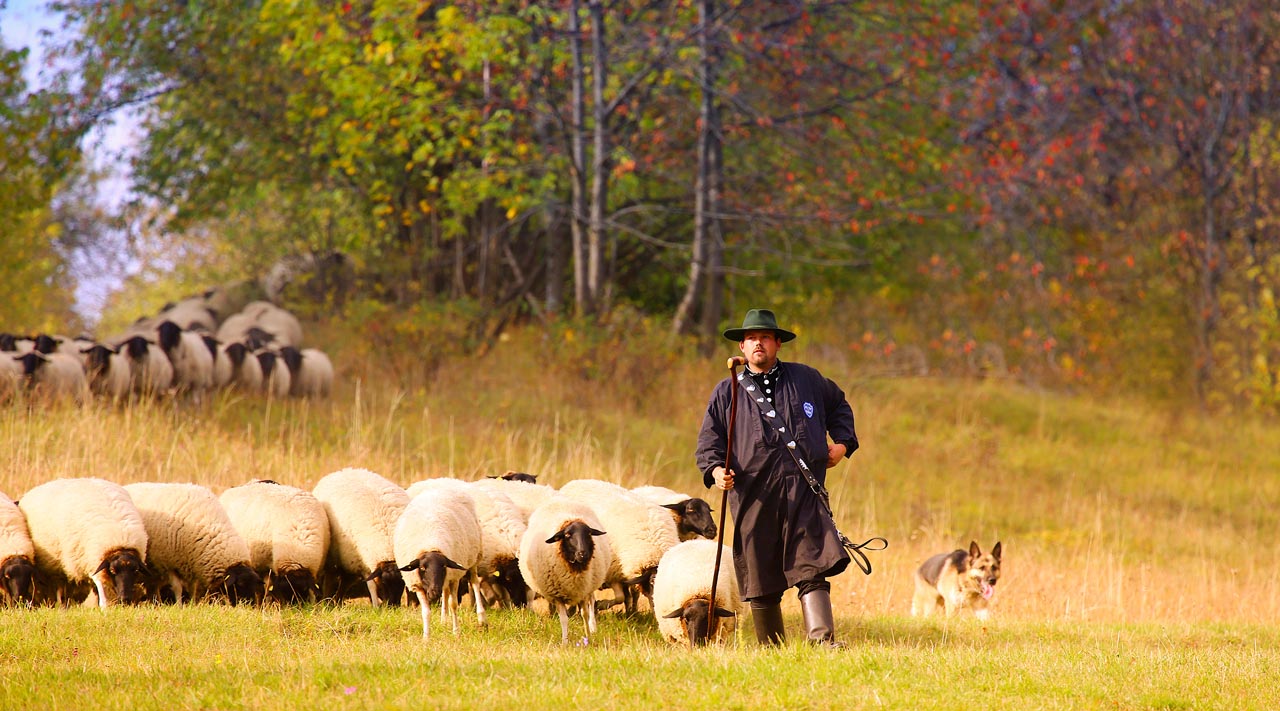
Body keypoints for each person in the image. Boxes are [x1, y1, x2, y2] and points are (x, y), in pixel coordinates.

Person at [695, 308, 858, 648]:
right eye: (752, 338)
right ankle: (772, 649)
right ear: (742, 346)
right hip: (754, 497)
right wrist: (715, 472)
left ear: (778, 343)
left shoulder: (807, 379)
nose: (759, 344)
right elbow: (709, 443)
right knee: (760, 574)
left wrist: (841, 444)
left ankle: (822, 642)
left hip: (803, 490)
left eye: (765, 337)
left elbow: (839, 406)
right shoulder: (727, 392)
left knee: (812, 565)